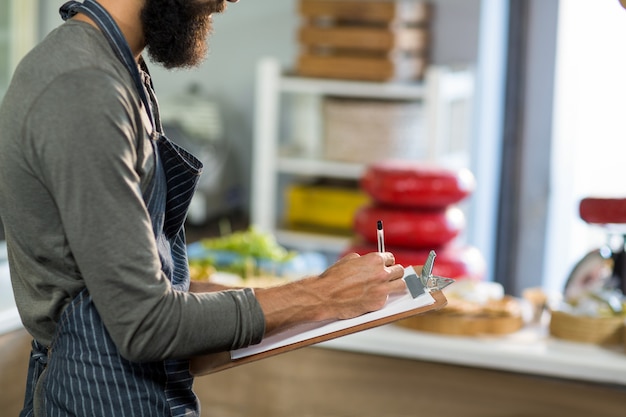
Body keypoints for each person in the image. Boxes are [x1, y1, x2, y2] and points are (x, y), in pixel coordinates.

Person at [0, 0, 407, 415]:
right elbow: (146, 324)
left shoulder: (117, 68)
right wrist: (321, 296)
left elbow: (147, 290)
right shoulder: (81, 87)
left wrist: (311, 294)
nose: (227, 1)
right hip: (96, 397)